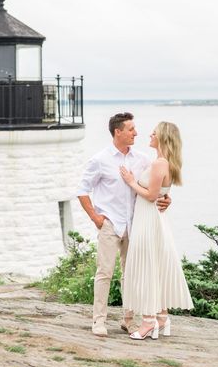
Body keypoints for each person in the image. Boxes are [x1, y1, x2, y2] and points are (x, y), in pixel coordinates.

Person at [77, 112, 171, 337]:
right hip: (110, 223)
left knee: (132, 274)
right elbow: (82, 190)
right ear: (118, 131)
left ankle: (129, 320)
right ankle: (98, 320)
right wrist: (96, 218)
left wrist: (166, 198)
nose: (136, 133)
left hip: (136, 224)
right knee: (104, 273)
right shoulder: (100, 159)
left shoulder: (142, 159)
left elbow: (154, 186)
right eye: (131, 129)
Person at [120, 121, 193, 340]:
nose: (150, 134)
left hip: (149, 220)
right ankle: (162, 319)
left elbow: (151, 196)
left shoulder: (161, 163)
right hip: (152, 218)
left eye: (155, 132)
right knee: (154, 267)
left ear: (162, 138)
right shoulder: (161, 162)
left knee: (147, 268)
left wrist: (131, 181)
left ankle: (149, 322)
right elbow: (159, 193)